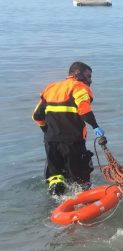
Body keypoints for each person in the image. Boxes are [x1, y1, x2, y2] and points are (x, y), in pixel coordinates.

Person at [32, 62, 106, 195]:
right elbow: (84, 110)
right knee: (80, 177)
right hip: (73, 142)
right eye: (88, 76)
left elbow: (37, 116)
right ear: (77, 73)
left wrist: (47, 131)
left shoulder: (51, 88)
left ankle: (56, 203)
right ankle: (83, 204)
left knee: (56, 176)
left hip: (51, 141)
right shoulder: (78, 87)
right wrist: (96, 127)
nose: (90, 80)